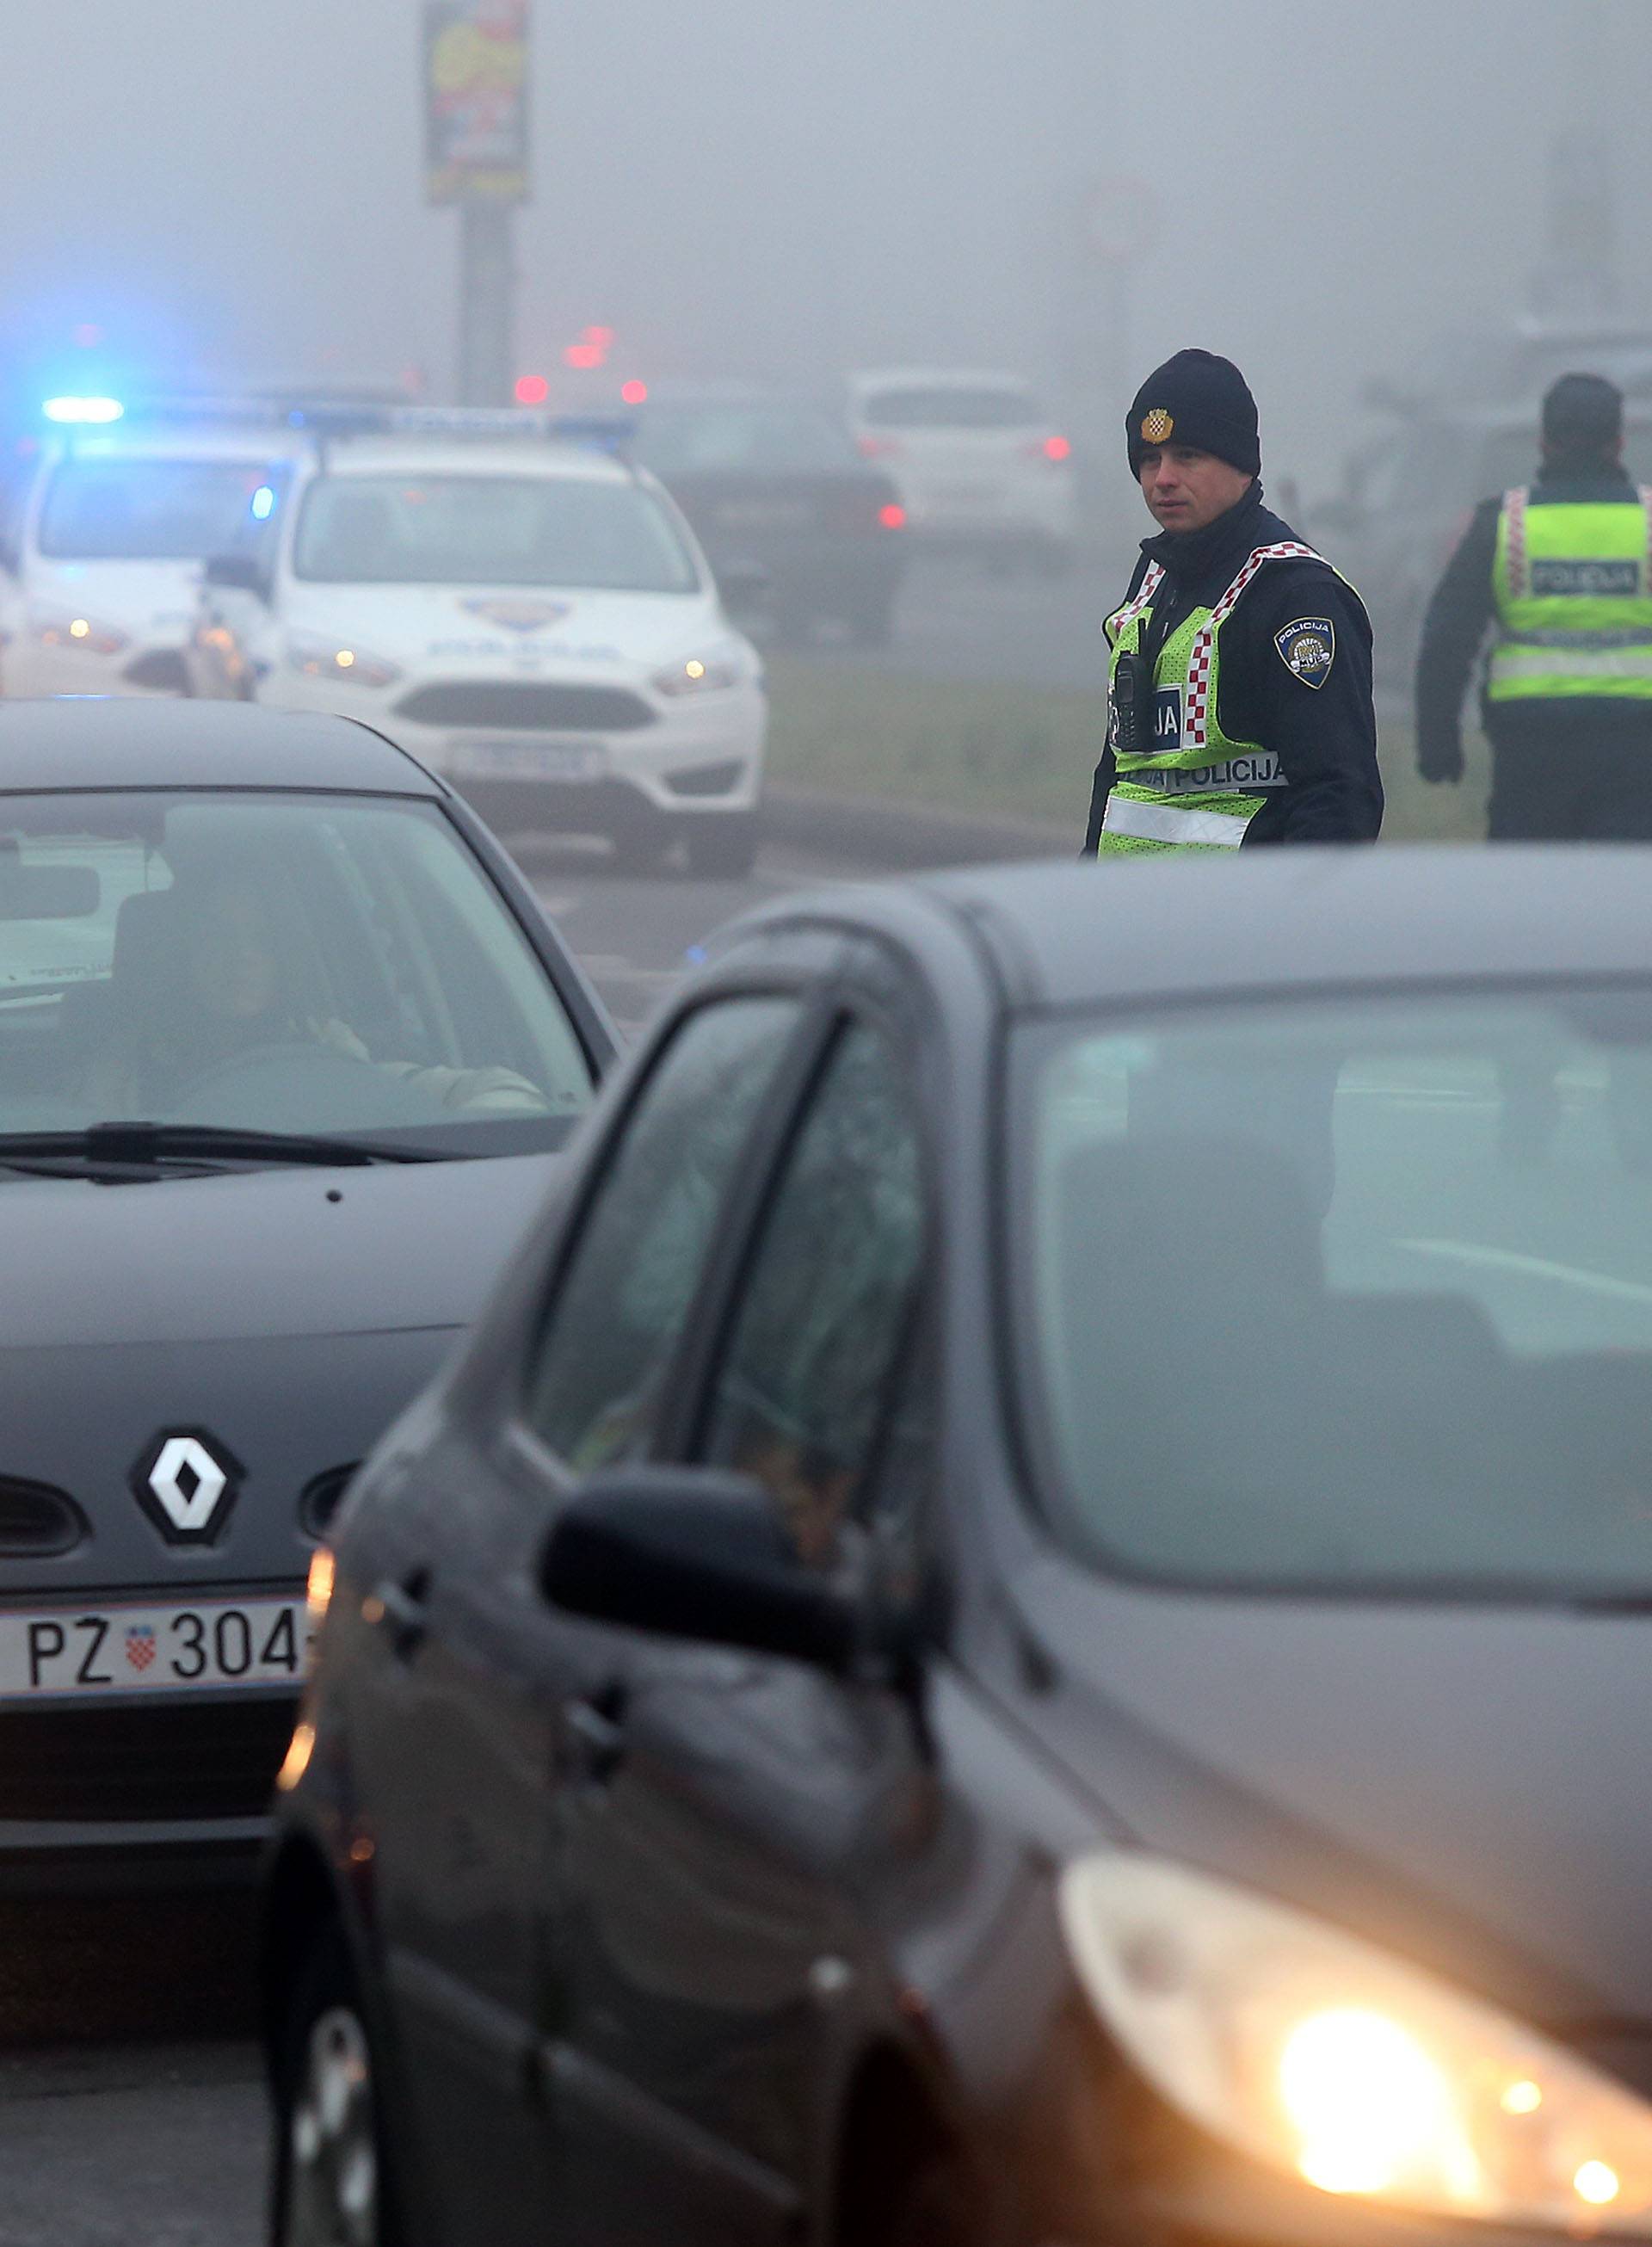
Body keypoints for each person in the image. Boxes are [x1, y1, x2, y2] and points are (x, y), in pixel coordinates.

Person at [1085, 349, 1383, 855]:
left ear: (1241, 466)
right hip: (1130, 918)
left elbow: (1338, 797)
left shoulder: (1296, 594)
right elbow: (1119, 772)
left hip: (1237, 923)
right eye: (1149, 460)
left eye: (1188, 457)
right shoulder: (1156, 575)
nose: (1163, 479)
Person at [1415, 372, 1652, 839]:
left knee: (1528, 887)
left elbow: (1447, 639)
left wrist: (1437, 742)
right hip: (1638, 743)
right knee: (1633, 890)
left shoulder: (1503, 523)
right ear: (1619, 443)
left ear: (1543, 443)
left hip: (1531, 744)